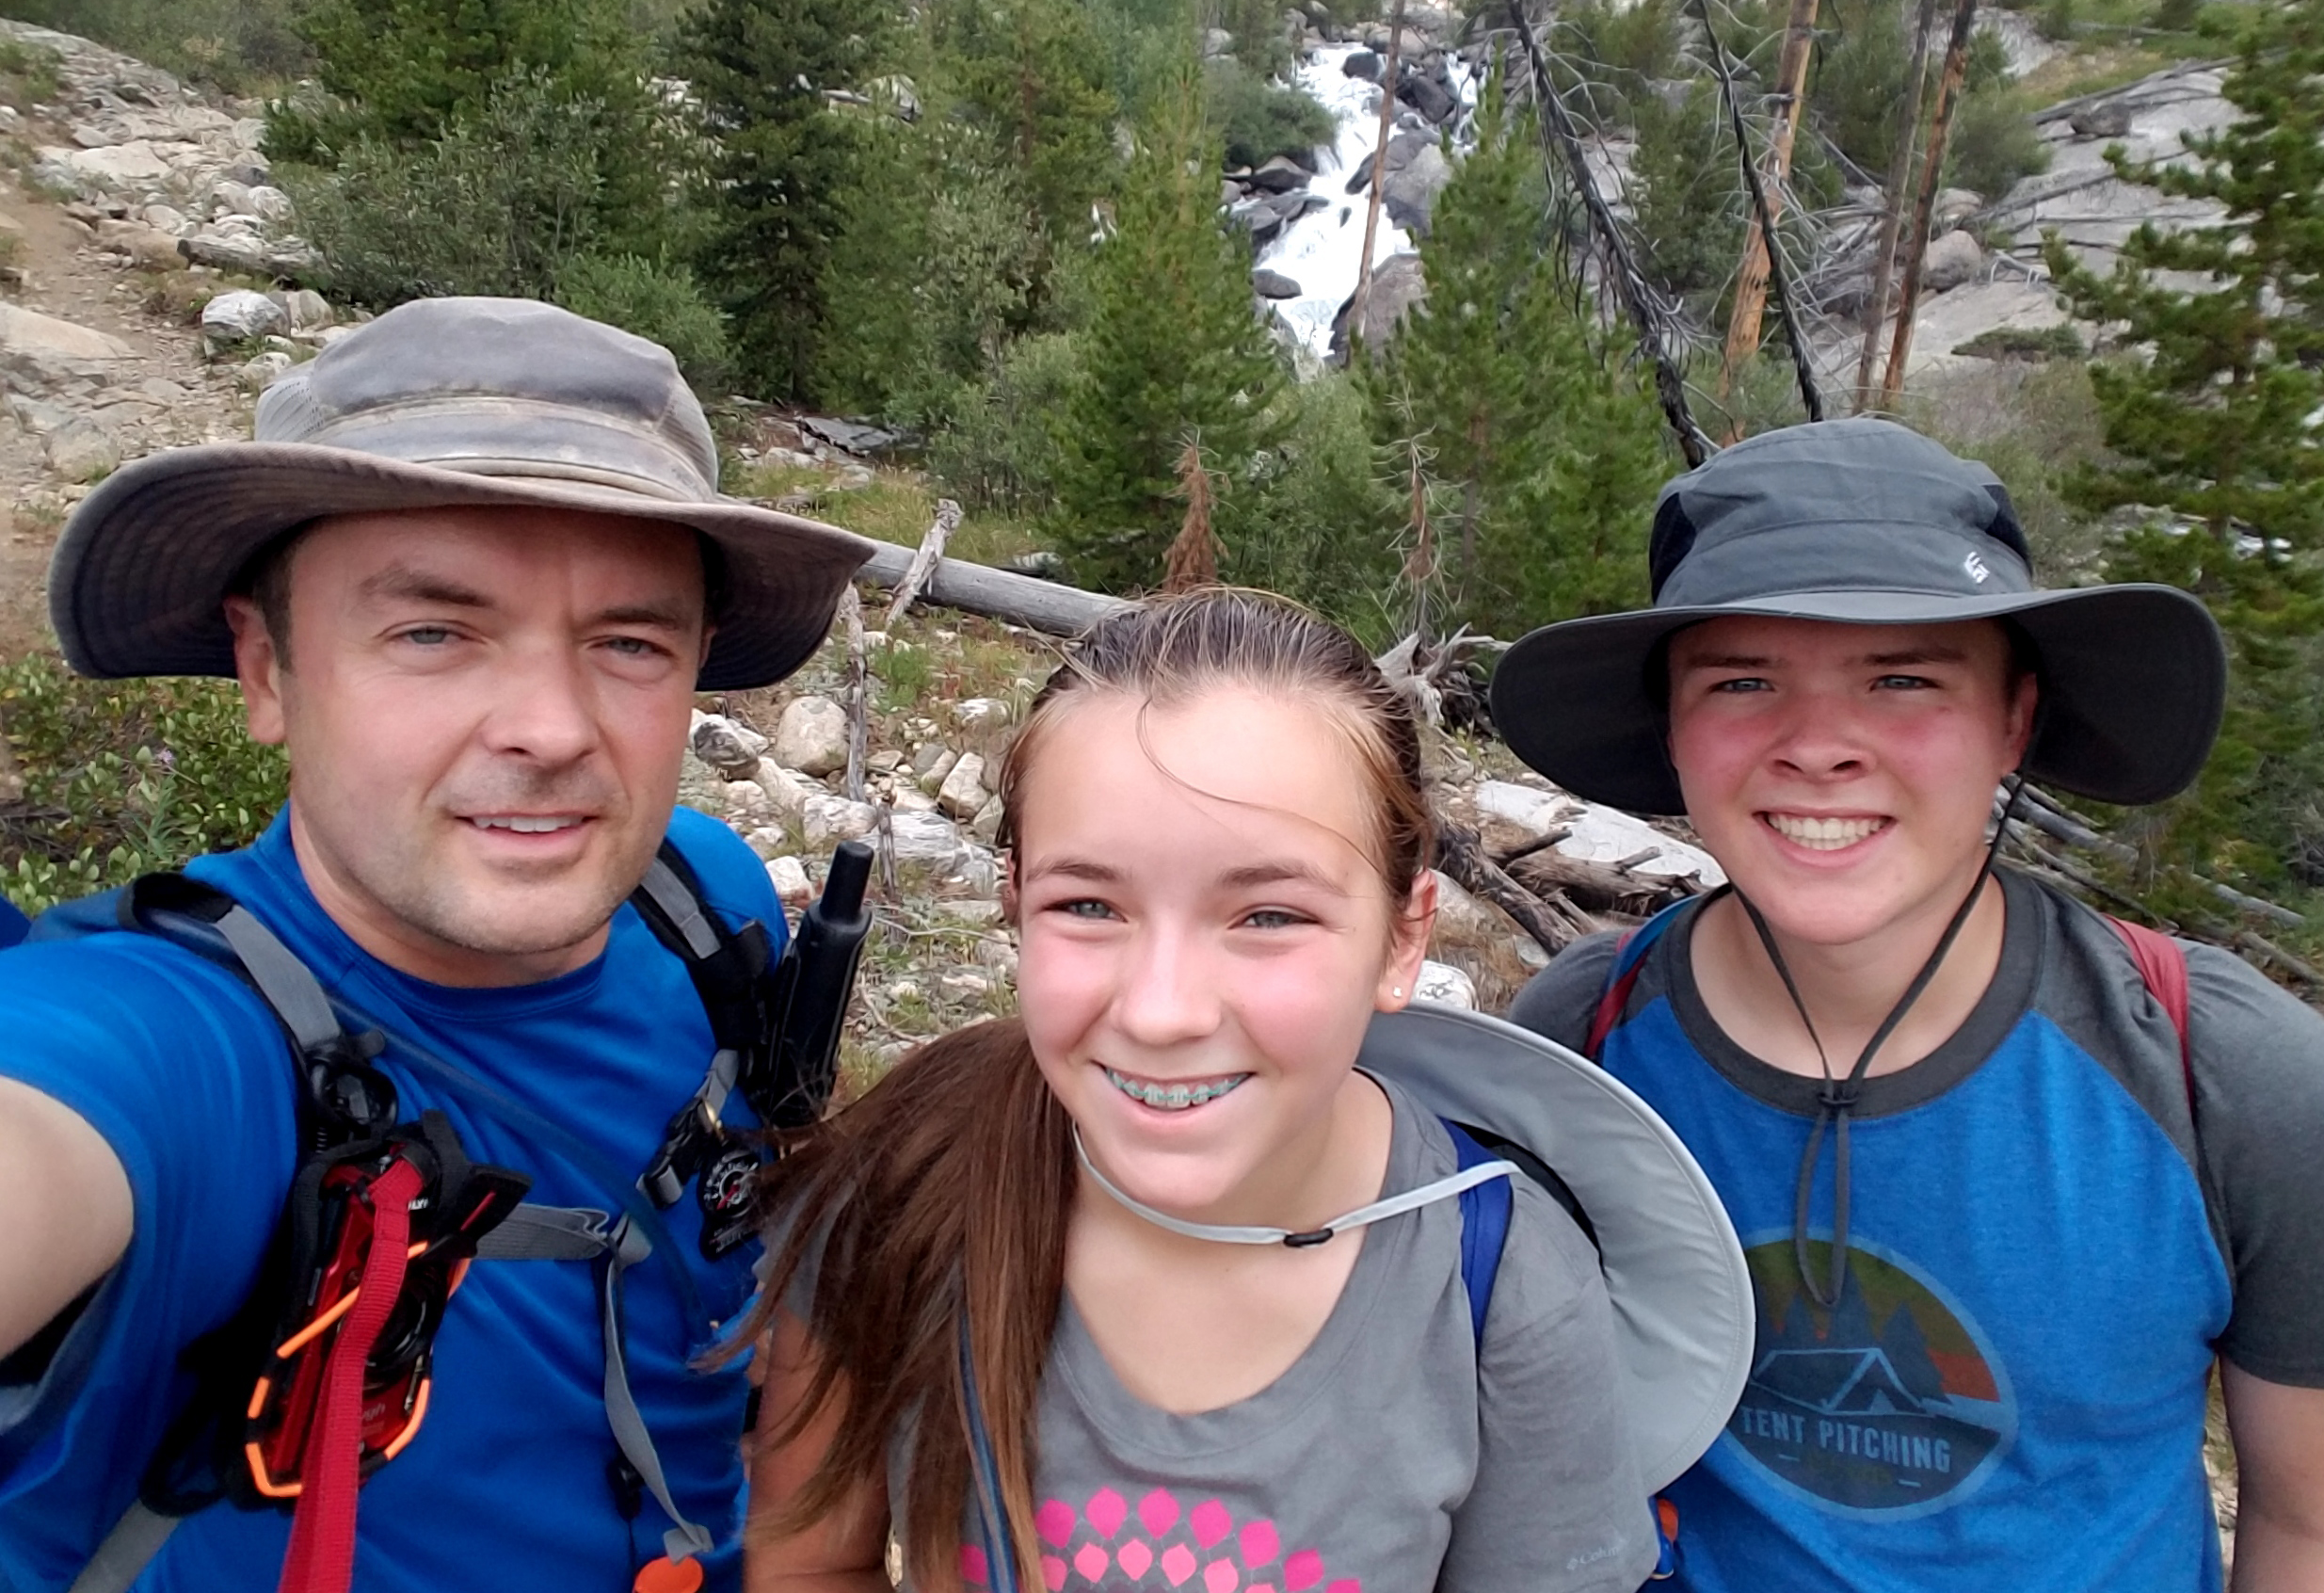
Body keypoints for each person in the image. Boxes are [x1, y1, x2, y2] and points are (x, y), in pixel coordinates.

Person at [0, 298, 874, 1593]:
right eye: (433, 632)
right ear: (267, 669)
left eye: (628, 642)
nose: (551, 727)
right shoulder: (157, 1041)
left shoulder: (704, 901)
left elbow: (785, 1244)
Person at [1496, 416, 2324, 1592]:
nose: (1820, 747)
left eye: (1903, 679)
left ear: (2015, 721)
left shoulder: (2232, 1083)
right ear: (1674, 729)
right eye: (1742, 680)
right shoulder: (1576, 1049)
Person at [745, 587, 1740, 1593]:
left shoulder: (1495, 1283)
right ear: (1015, 905)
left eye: (1267, 915)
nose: (1163, 1010)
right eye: (1088, 904)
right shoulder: (911, 1177)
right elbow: (809, 1558)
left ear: (1405, 937)